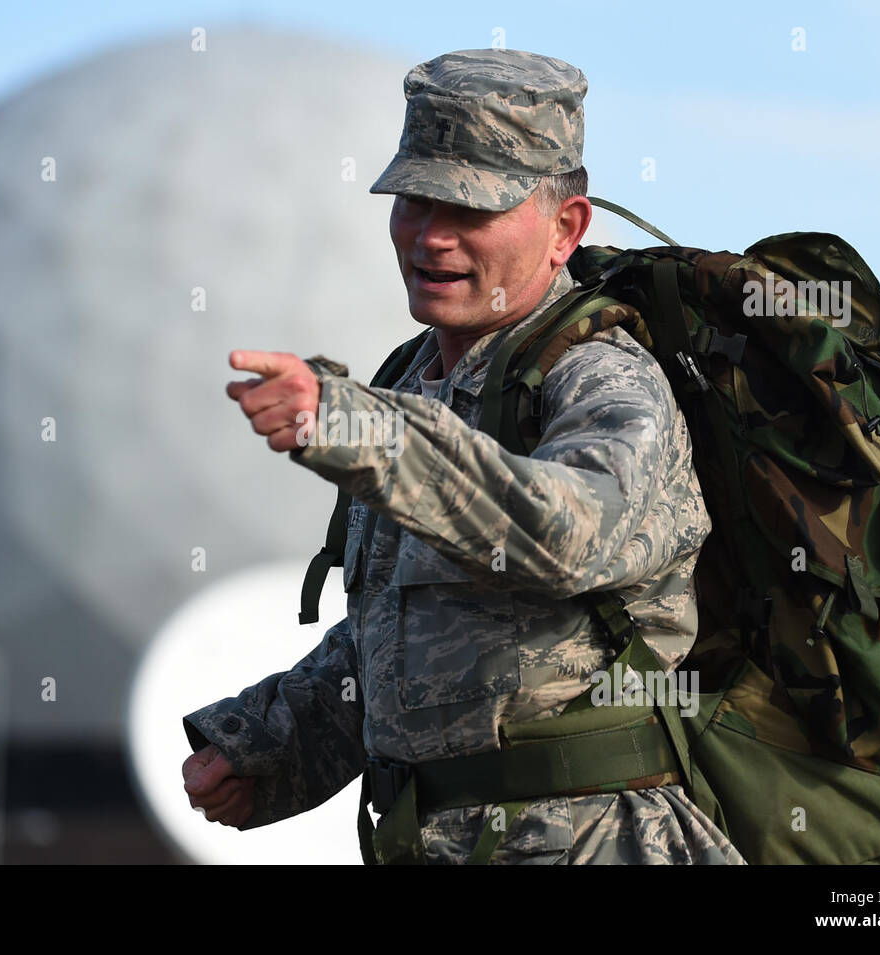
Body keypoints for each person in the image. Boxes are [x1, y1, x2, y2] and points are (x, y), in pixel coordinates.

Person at [180, 48, 745, 865]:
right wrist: (266, 744)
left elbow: (567, 532)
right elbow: (398, 637)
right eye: (415, 199)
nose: (431, 236)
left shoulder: (604, 375)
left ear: (566, 228)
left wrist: (362, 429)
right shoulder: (418, 378)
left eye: (470, 210)